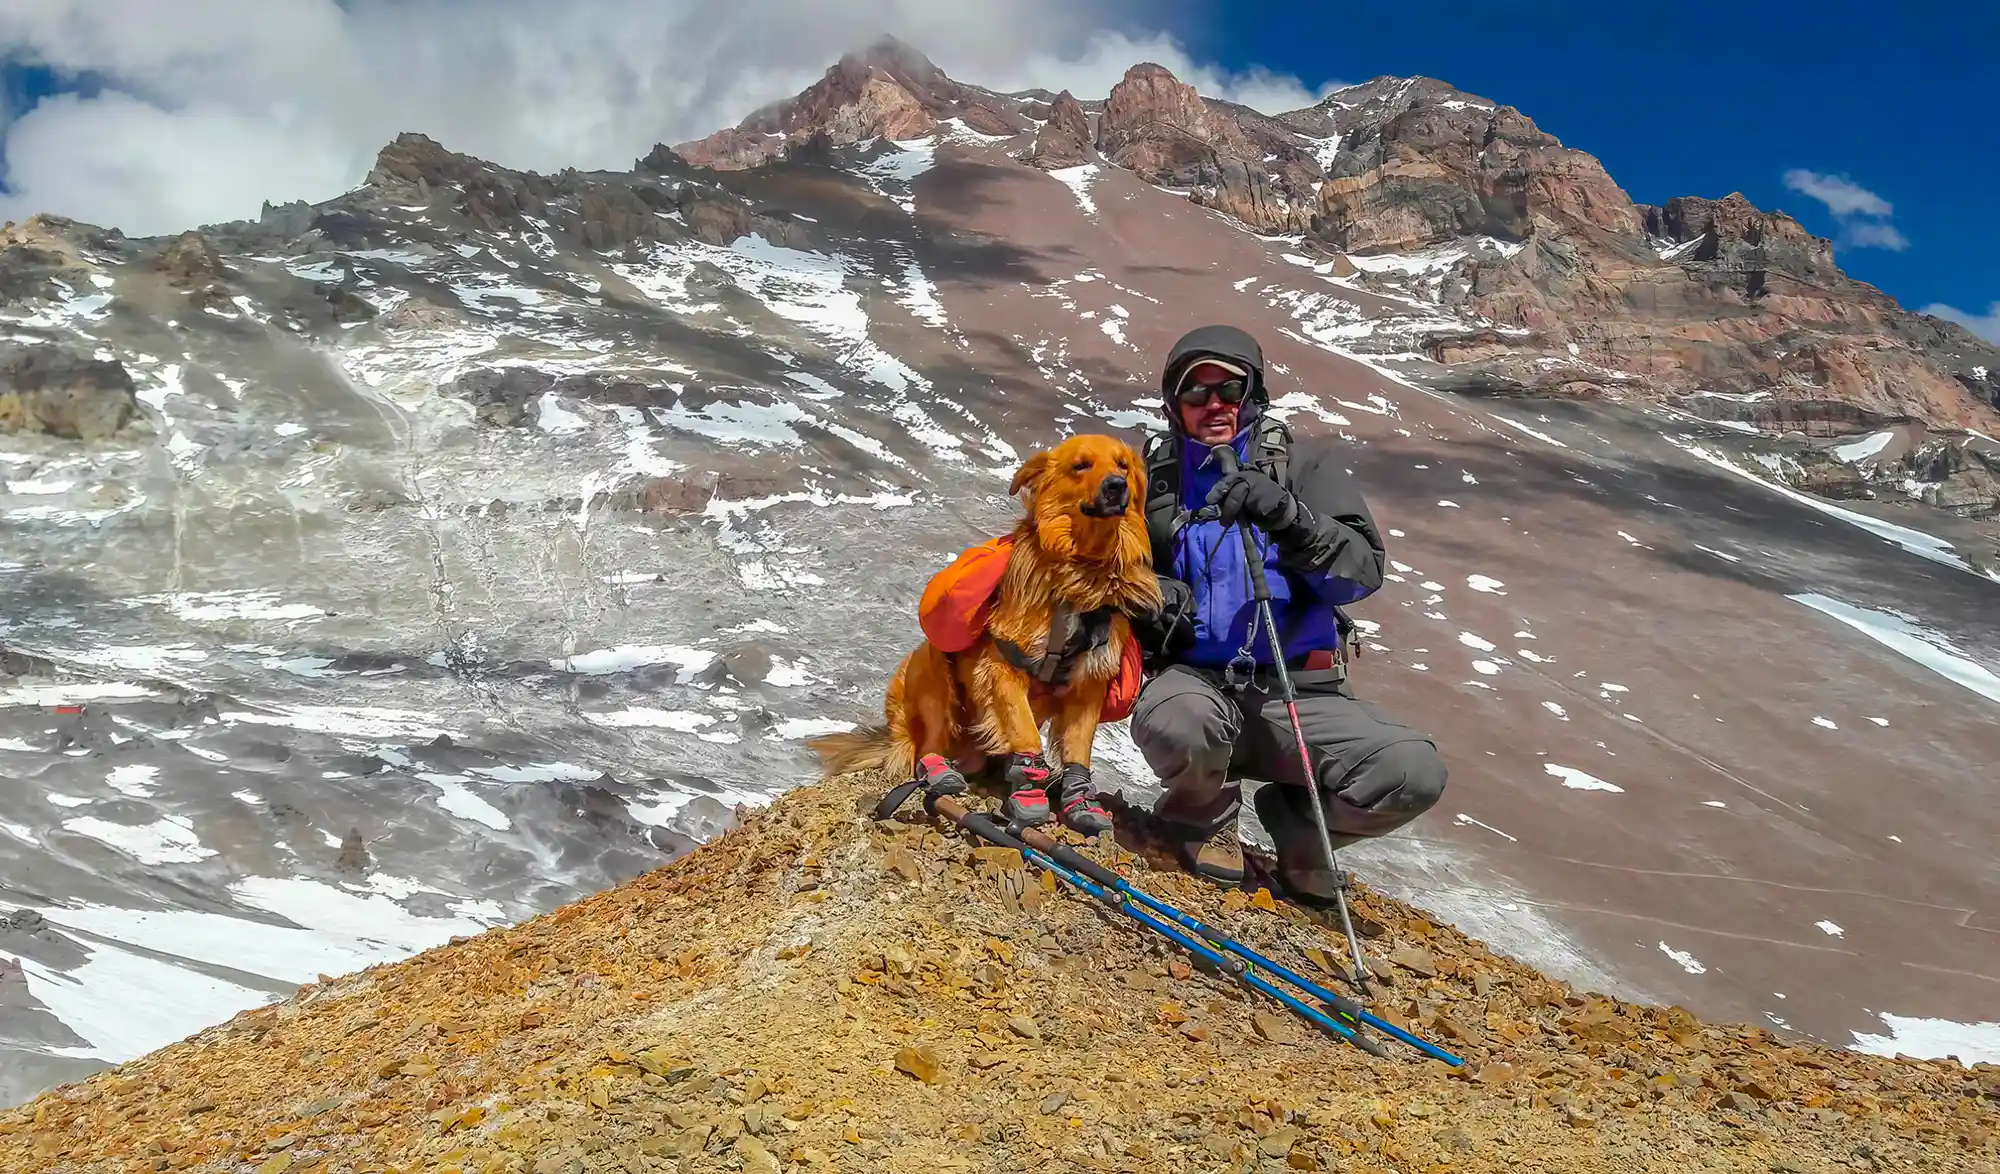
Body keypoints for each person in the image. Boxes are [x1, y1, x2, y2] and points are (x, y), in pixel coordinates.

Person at [1126, 324, 1448, 906]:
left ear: (1254, 394)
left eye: (1228, 388)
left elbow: (1360, 573)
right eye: (1194, 393)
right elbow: (1117, 571)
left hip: (1300, 694)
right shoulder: (1152, 480)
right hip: (1196, 687)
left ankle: (1302, 834)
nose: (1213, 404)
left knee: (1409, 773)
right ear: (1174, 404)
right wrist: (1156, 598)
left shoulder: (1305, 468)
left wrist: (1290, 518)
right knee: (1180, 723)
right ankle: (1202, 819)